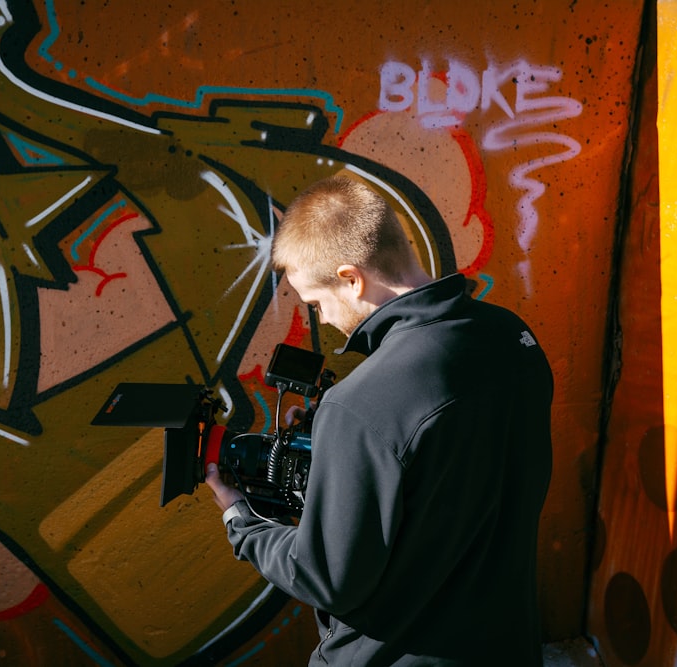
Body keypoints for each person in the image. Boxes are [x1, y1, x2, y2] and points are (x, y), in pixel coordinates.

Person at [205, 175, 553, 666]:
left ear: (351, 278)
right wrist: (337, 438)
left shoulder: (361, 404)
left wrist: (242, 521)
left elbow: (325, 577)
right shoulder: (512, 337)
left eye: (315, 303)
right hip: (507, 646)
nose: (322, 320)